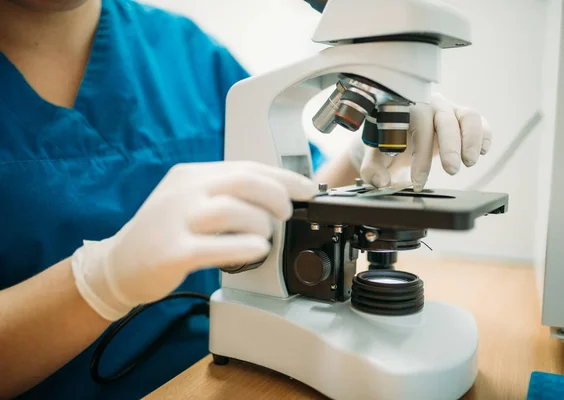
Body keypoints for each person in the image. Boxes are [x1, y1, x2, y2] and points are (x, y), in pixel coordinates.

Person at [0, 0, 491, 398]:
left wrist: (375, 149)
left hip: (227, 382)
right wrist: (100, 280)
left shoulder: (183, 50)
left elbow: (289, 190)